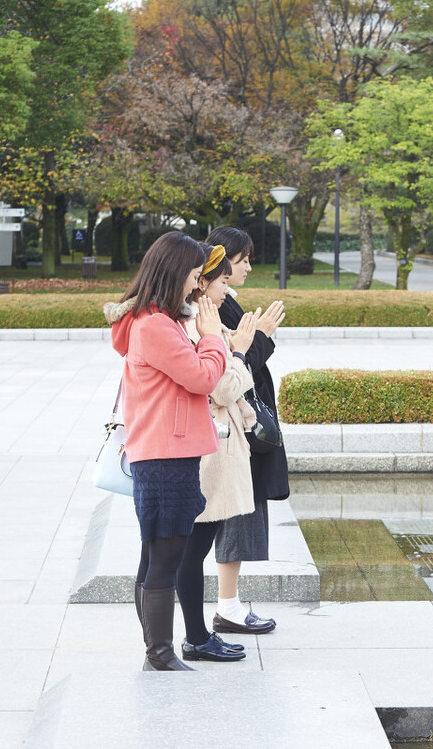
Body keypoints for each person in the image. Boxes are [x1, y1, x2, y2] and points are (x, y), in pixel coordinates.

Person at [104, 231, 229, 671]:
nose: (197, 286)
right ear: (174, 272)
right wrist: (213, 338)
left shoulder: (157, 320)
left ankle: (157, 652)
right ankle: (159, 654)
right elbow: (201, 378)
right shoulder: (155, 325)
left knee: (156, 552)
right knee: (166, 554)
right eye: (194, 276)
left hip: (164, 450)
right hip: (164, 454)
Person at [174, 244, 261, 662]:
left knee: (195, 543)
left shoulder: (199, 321)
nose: (227, 290)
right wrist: (242, 349)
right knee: (194, 545)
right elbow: (221, 386)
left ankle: (197, 635)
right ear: (201, 282)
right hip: (210, 447)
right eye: (221, 281)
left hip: (216, 444)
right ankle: (195, 637)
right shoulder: (192, 326)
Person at [204, 226, 286, 635]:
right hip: (231, 431)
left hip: (238, 427)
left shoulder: (224, 303)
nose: (249, 268)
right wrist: (264, 338)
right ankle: (228, 606)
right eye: (243, 260)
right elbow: (233, 369)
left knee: (237, 514)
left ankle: (228, 605)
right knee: (232, 515)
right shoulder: (212, 308)